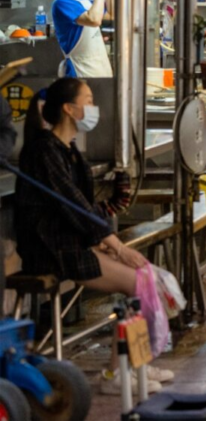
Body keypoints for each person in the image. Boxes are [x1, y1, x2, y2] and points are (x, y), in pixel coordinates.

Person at [17, 78, 142, 295]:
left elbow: (84, 206)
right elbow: (74, 205)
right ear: (69, 108)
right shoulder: (44, 151)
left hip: (70, 245)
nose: (94, 108)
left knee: (149, 278)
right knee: (140, 284)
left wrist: (100, 243)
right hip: (50, 252)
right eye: (89, 101)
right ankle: (138, 329)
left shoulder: (68, 149)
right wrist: (118, 248)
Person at [52, 0, 111, 79]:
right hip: (80, 69)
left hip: (98, 67)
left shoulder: (86, 2)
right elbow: (94, 20)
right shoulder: (62, 1)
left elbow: (112, 14)